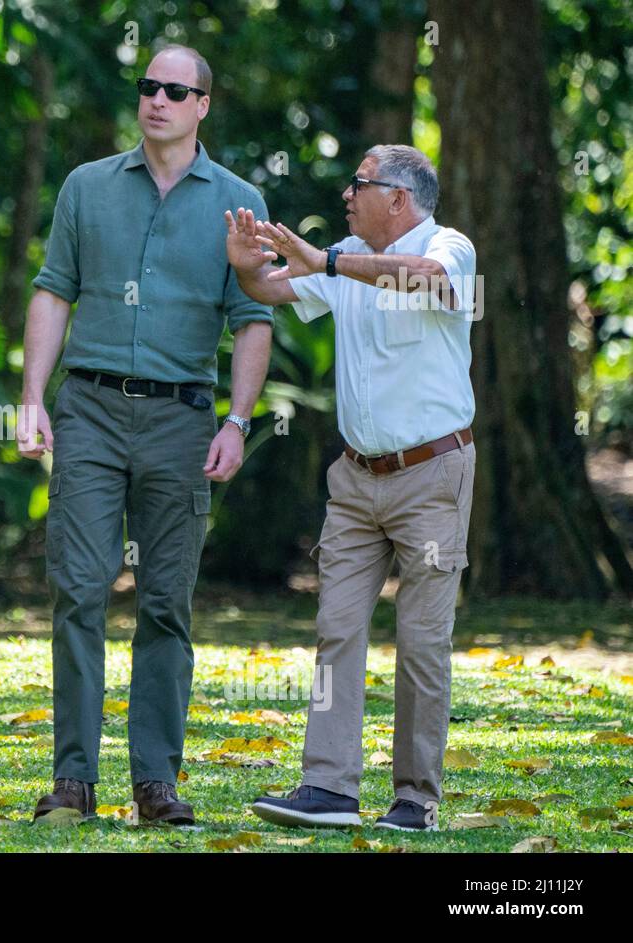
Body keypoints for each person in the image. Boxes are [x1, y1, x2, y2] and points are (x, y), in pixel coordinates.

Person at [17, 45, 273, 824]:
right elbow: (53, 294)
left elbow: (254, 318)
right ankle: (73, 780)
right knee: (79, 589)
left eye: (174, 90)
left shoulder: (236, 202)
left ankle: (156, 782)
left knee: (166, 601)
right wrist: (32, 396)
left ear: (202, 105)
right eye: (147, 87)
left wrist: (236, 420)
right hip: (89, 409)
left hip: (182, 418)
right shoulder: (87, 187)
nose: (155, 99)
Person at [228, 144, 478, 832]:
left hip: (433, 476)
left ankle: (415, 798)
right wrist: (248, 266)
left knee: (423, 639)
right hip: (356, 479)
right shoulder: (341, 252)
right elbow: (275, 290)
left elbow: (426, 279)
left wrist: (329, 261)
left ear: (398, 197)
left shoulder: (449, 247)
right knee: (336, 629)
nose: (347, 194)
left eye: (359, 184)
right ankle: (329, 787)